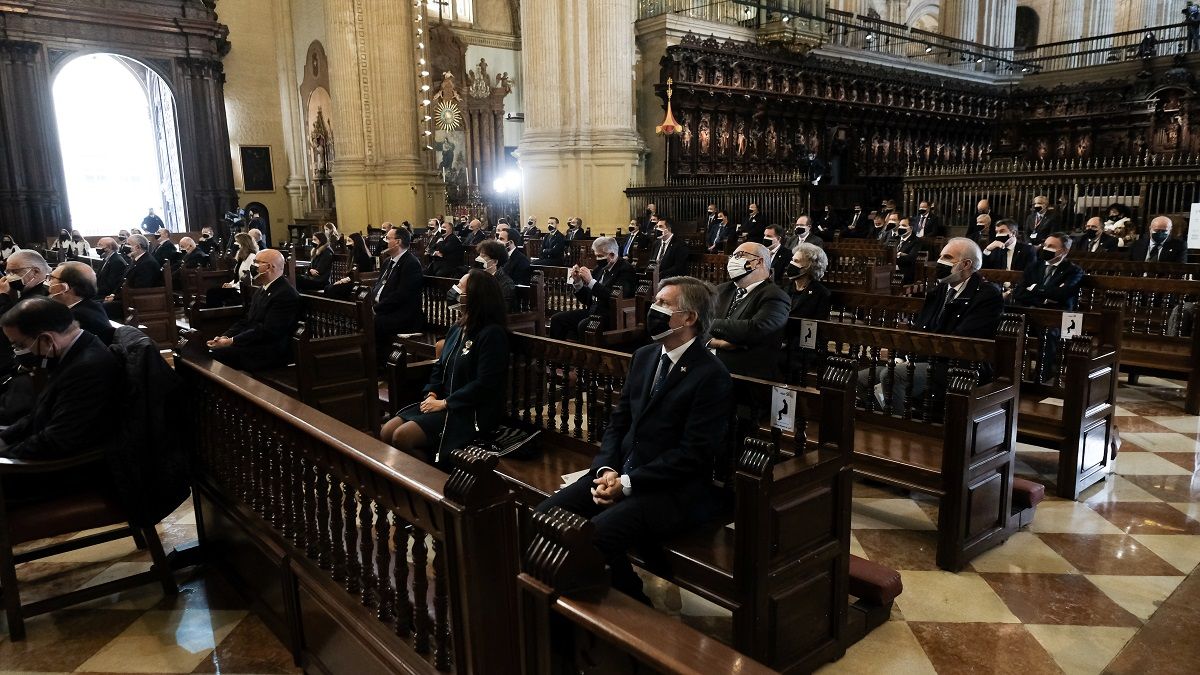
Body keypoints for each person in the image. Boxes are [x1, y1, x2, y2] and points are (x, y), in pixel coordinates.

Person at [536, 276, 731, 604]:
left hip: (670, 490)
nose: (654, 308)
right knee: (545, 514)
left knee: (595, 536)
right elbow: (619, 422)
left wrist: (627, 482)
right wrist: (605, 469)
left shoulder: (710, 375)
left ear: (689, 318)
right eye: (656, 300)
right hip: (621, 473)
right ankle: (559, 600)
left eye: (665, 304)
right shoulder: (645, 356)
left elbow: (692, 454)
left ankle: (635, 610)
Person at [381, 270, 509, 468]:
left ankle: (432, 487)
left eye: (460, 287)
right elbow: (440, 366)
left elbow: (485, 384)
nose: (455, 291)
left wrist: (445, 403)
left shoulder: (492, 334)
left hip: (470, 411)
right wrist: (431, 394)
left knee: (402, 437)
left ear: (475, 296)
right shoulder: (457, 328)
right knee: (387, 430)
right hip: (442, 403)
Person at [863, 238, 1003, 413]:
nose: (940, 261)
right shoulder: (940, 290)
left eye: (947, 257)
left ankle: (902, 429)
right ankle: (885, 423)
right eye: (940, 256)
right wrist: (902, 356)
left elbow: (963, 337)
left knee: (891, 376)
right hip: (928, 359)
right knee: (861, 377)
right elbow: (920, 328)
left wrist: (916, 358)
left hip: (960, 366)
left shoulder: (987, 295)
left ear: (966, 264)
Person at [0, 298, 121, 468]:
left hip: (66, 469)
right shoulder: (72, 350)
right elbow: (39, 413)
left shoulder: (87, 368)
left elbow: (59, 440)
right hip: (46, 447)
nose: (18, 351)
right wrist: (5, 438)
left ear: (47, 339)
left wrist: (4, 456)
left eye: (20, 344)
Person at [707, 242, 790, 380]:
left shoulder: (775, 296)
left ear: (758, 262)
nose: (733, 260)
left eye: (740, 255)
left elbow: (755, 329)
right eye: (732, 256)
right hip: (711, 361)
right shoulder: (721, 290)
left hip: (746, 372)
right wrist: (713, 342)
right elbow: (696, 324)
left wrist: (710, 324)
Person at [206, 249, 300, 371]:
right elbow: (247, 321)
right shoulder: (262, 289)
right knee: (208, 351)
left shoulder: (285, 293)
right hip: (254, 343)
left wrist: (232, 341)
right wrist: (225, 336)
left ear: (269, 267)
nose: (253, 266)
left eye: (257, 262)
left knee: (214, 356)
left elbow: (268, 331)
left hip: (268, 351)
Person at [549, 237, 638, 341]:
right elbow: (589, 299)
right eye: (596, 256)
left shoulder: (625, 270)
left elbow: (614, 298)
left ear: (612, 255)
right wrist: (578, 282)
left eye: (600, 256)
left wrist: (591, 281)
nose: (598, 259)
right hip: (594, 311)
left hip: (611, 316)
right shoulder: (600, 269)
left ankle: (585, 356)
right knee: (557, 319)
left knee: (585, 325)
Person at [780, 243, 832, 382]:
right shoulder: (786, 288)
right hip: (782, 340)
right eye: (792, 260)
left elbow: (815, 328)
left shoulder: (821, 293)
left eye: (796, 262)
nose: (791, 264)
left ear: (809, 267)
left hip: (803, 347)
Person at [372, 226, 425, 357]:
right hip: (385, 310)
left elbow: (402, 295)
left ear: (398, 242)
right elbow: (378, 286)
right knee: (362, 318)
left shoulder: (411, 263)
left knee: (373, 323)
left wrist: (376, 308)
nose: (384, 241)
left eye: (387, 238)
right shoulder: (387, 262)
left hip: (403, 314)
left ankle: (380, 364)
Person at [1009, 233, 1085, 310]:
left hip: (1057, 313)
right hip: (1030, 309)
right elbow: (1018, 292)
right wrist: (1043, 299)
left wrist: (1034, 288)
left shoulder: (1073, 270)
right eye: (1045, 245)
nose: (1045, 248)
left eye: (1051, 246)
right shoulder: (1034, 266)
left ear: (1064, 251)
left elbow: (1062, 294)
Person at [48, 261, 115, 344]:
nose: (48, 282)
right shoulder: (91, 305)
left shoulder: (75, 318)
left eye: (52, 278)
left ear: (64, 287)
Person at [449, 240, 516, 309]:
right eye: (479, 255)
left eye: (483, 256)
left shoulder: (505, 283)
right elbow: (451, 296)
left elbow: (502, 309)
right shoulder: (475, 276)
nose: (478, 259)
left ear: (495, 262)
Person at [204, 232, 258, 308]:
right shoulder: (242, 258)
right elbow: (237, 276)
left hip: (242, 290)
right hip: (236, 287)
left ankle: (216, 315)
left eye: (237, 244)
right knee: (211, 291)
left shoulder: (252, 257)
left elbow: (248, 278)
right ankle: (213, 315)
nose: (236, 247)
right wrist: (230, 283)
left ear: (243, 245)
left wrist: (233, 285)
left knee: (213, 293)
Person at [895, 218, 925, 283]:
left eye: (904, 225)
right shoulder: (895, 239)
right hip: (891, 269)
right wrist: (900, 254)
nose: (900, 227)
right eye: (899, 225)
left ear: (911, 228)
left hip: (904, 272)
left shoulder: (916, 241)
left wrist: (897, 255)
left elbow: (910, 258)